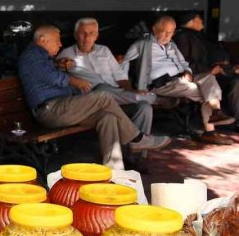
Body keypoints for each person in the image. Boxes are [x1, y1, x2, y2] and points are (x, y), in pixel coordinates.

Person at [18, 25, 169, 170]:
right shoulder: (31, 55)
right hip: (50, 110)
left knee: (107, 117)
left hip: (62, 107)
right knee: (103, 96)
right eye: (57, 40)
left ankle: (115, 170)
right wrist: (74, 81)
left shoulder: (42, 57)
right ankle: (136, 139)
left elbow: (46, 72)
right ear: (43, 39)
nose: (60, 44)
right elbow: (50, 76)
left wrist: (60, 65)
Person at [123, 15, 234, 144]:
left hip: (182, 79)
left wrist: (188, 71)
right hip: (164, 84)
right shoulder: (141, 45)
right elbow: (123, 64)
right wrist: (126, 86)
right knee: (205, 93)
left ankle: (216, 112)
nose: (166, 36)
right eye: (162, 31)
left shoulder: (172, 45)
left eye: (170, 32)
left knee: (208, 78)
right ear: (154, 29)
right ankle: (210, 131)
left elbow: (184, 63)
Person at [56, 18, 154, 135]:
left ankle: (138, 147)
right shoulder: (66, 54)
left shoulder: (104, 50)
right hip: (95, 100)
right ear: (76, 35)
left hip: (117, 96)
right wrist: (60, 64)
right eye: (83, 33)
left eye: (91, 33)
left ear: (96, 35)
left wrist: (130, 90)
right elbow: (57, 68)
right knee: (102, 89)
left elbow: (120, 76)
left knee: (145, 108)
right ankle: (149, 98)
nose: (87, 37)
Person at [173, 11, 239, 120]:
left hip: (215, 70)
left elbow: (212, 53)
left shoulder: (199, 36)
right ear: (193, 21)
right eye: (199, 18)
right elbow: (184, 62)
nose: (202, 21)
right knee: (236, 82)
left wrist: (226, 61)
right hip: (202, 74)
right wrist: (209, 70)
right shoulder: (182, 37)